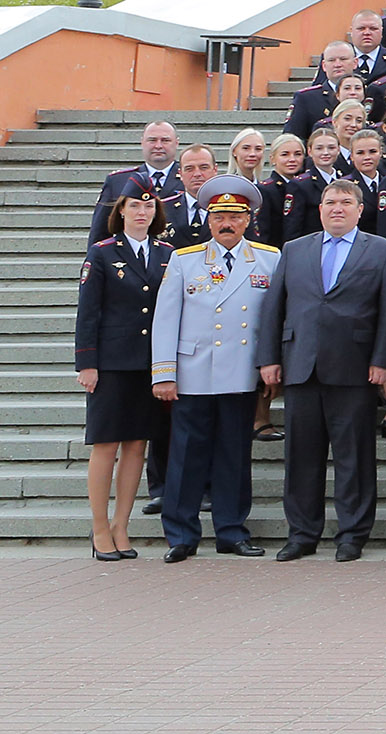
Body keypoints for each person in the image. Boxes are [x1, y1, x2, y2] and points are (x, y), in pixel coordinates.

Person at [257, 178, 386, 561]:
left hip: (354, 369)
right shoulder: (294, 249)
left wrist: (382, 361)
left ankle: (352, 534)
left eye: (345, 202)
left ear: (360, 209)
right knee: (301, 456)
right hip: (301, 365)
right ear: (319, 209)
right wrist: (269, 359)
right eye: (329, 202)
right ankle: (302, 534)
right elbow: (275, 306)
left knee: (354, 457)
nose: (336, 208)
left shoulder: (383, 251)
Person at [151, 175, 277, 561]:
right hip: (193, 373)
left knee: (233, 456)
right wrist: (164, 373)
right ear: (208, 220)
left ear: (247, 219)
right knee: (187, 456)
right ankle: (181, 535)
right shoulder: (185, 259)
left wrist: (271, 366)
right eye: (219, 215)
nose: (227, 223)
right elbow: (165, 318)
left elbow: (274, 319)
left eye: (235, 216)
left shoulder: (269, 259)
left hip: (239, 373)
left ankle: (231, 531)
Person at [76, 186, 170, 559]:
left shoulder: (166, 254)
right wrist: (87, 362)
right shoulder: (101, 254)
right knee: (106, 444)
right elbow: (89, 312)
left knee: (136, 446)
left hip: (149, 364)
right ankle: (100, 528)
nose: (142, 212)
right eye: (135, 206)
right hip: (112, 364)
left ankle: (121, 525)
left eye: (148, 207)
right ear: (121, 211)